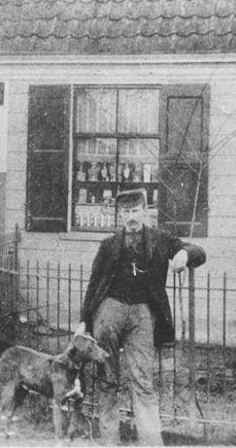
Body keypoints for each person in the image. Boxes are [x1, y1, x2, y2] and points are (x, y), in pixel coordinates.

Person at [75, 188, 206, 445]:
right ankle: (108, 439)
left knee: (143, 380)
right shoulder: (108, 245)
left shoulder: (161, 240)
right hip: (108, 313)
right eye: (125, 211)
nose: (131, 216)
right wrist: (84, 321)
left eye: (135, 210)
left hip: (142, 316)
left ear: (145, 212)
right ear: (119, 215)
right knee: (106, 378)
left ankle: (150, 442)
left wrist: (184, 253)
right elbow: (93, 285)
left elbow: (199, 252)